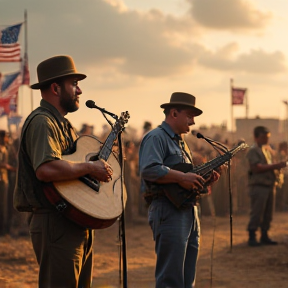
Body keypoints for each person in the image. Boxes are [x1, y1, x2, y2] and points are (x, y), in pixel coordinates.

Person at [13, 55, 113, 288]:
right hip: (54, 222)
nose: (79, 90)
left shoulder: (64, 125)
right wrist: (90, 167)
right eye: (74, 84)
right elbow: (46, 169)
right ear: (56, 88)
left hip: (72, 220)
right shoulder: (42, 122)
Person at [139, 92, 220, 288]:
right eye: (189, 116)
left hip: (188, 210)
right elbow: (149, 169)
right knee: (171, 278)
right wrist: (183, 177)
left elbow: (182, 179)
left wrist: (204, 180)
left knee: (186, 277)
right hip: (168, 210)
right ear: (174, 113)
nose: (192, 122)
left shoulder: (181, 142)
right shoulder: (156, 137)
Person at [246, 126, 287, 247]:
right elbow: (256, 168)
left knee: (268, 213)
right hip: (259, 186)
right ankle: (252, 236)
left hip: (269, 185)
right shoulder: (254, 150)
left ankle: (264, 234)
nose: (266, 140)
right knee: (257, 212)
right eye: (264, 137)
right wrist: (275, 166)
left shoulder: (266, 150)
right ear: (256, 137)